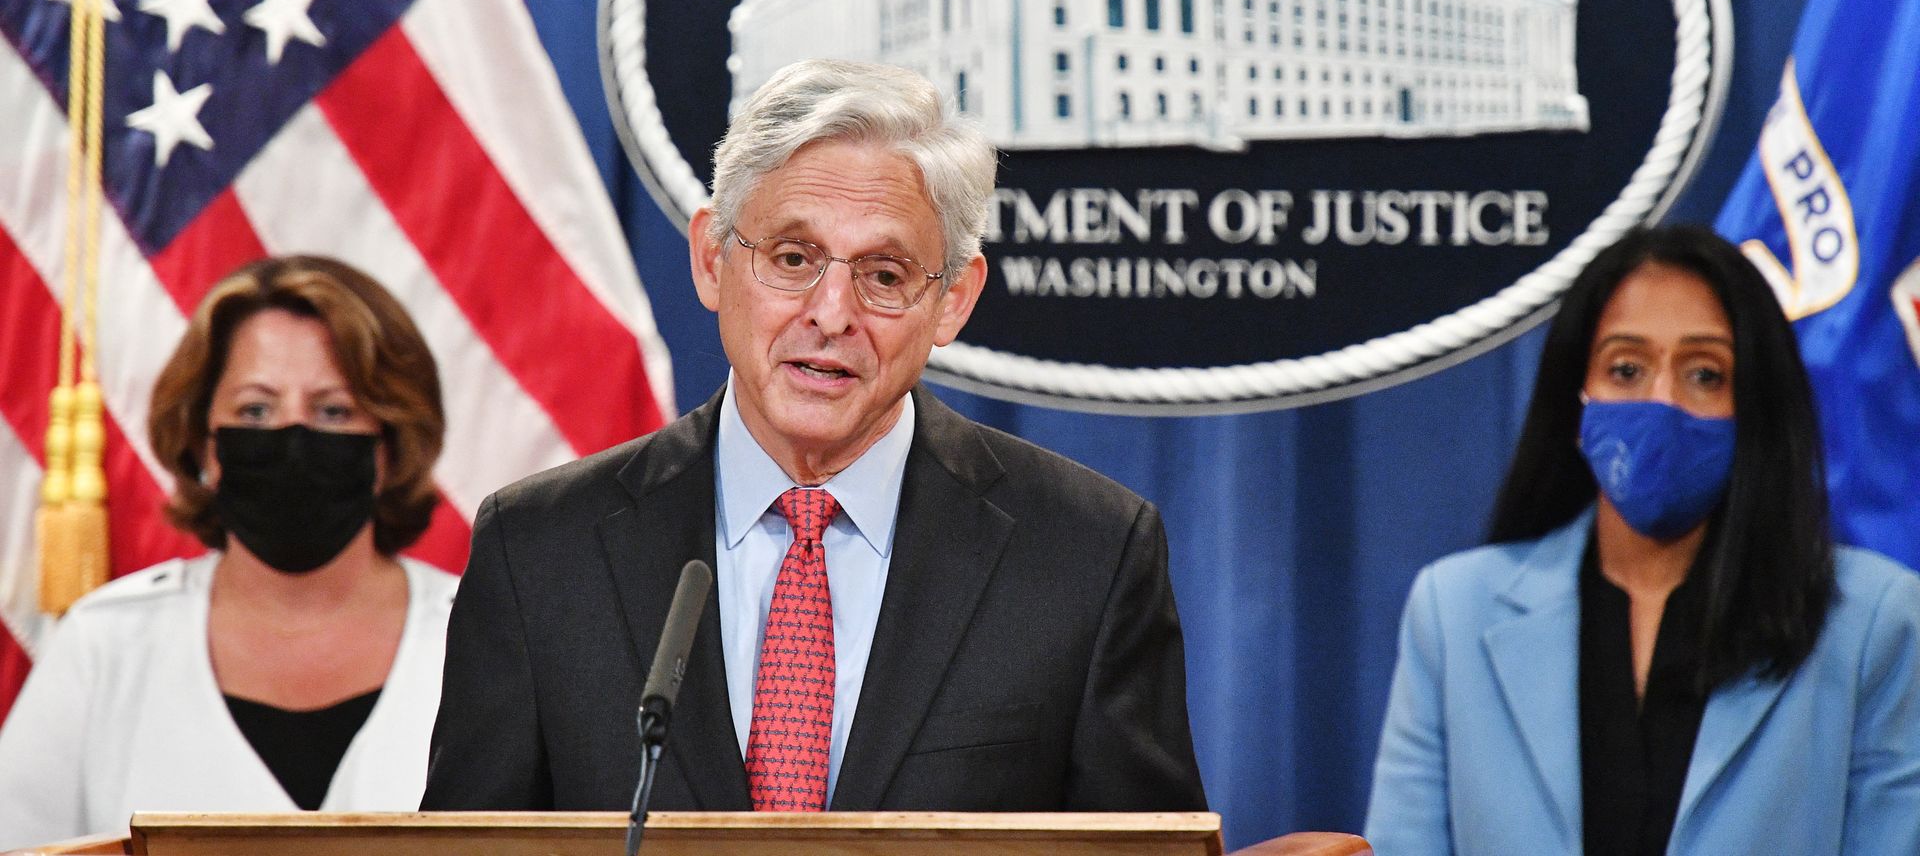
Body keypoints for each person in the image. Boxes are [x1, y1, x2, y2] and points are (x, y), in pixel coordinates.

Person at [423, 59, 1206, 813]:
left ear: (954, 302)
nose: (832, 314)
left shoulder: (1085, 554)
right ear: (710, 260)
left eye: (886, 275)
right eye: (793, 258)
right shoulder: (538, 552)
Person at [1364, 225, 1920, 855]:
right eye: (1626, 369)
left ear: (1756, 406)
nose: (1662, 403)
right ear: (1576, 407)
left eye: (1705, 374)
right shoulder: (1454, 613)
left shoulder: (1876, 623)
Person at [0, 256, 458, 848]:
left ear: (390, 446)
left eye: (332, 410)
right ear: (203, 446)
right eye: (256, 410)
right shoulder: (106, 643)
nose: (292, 435)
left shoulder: (482, 635)